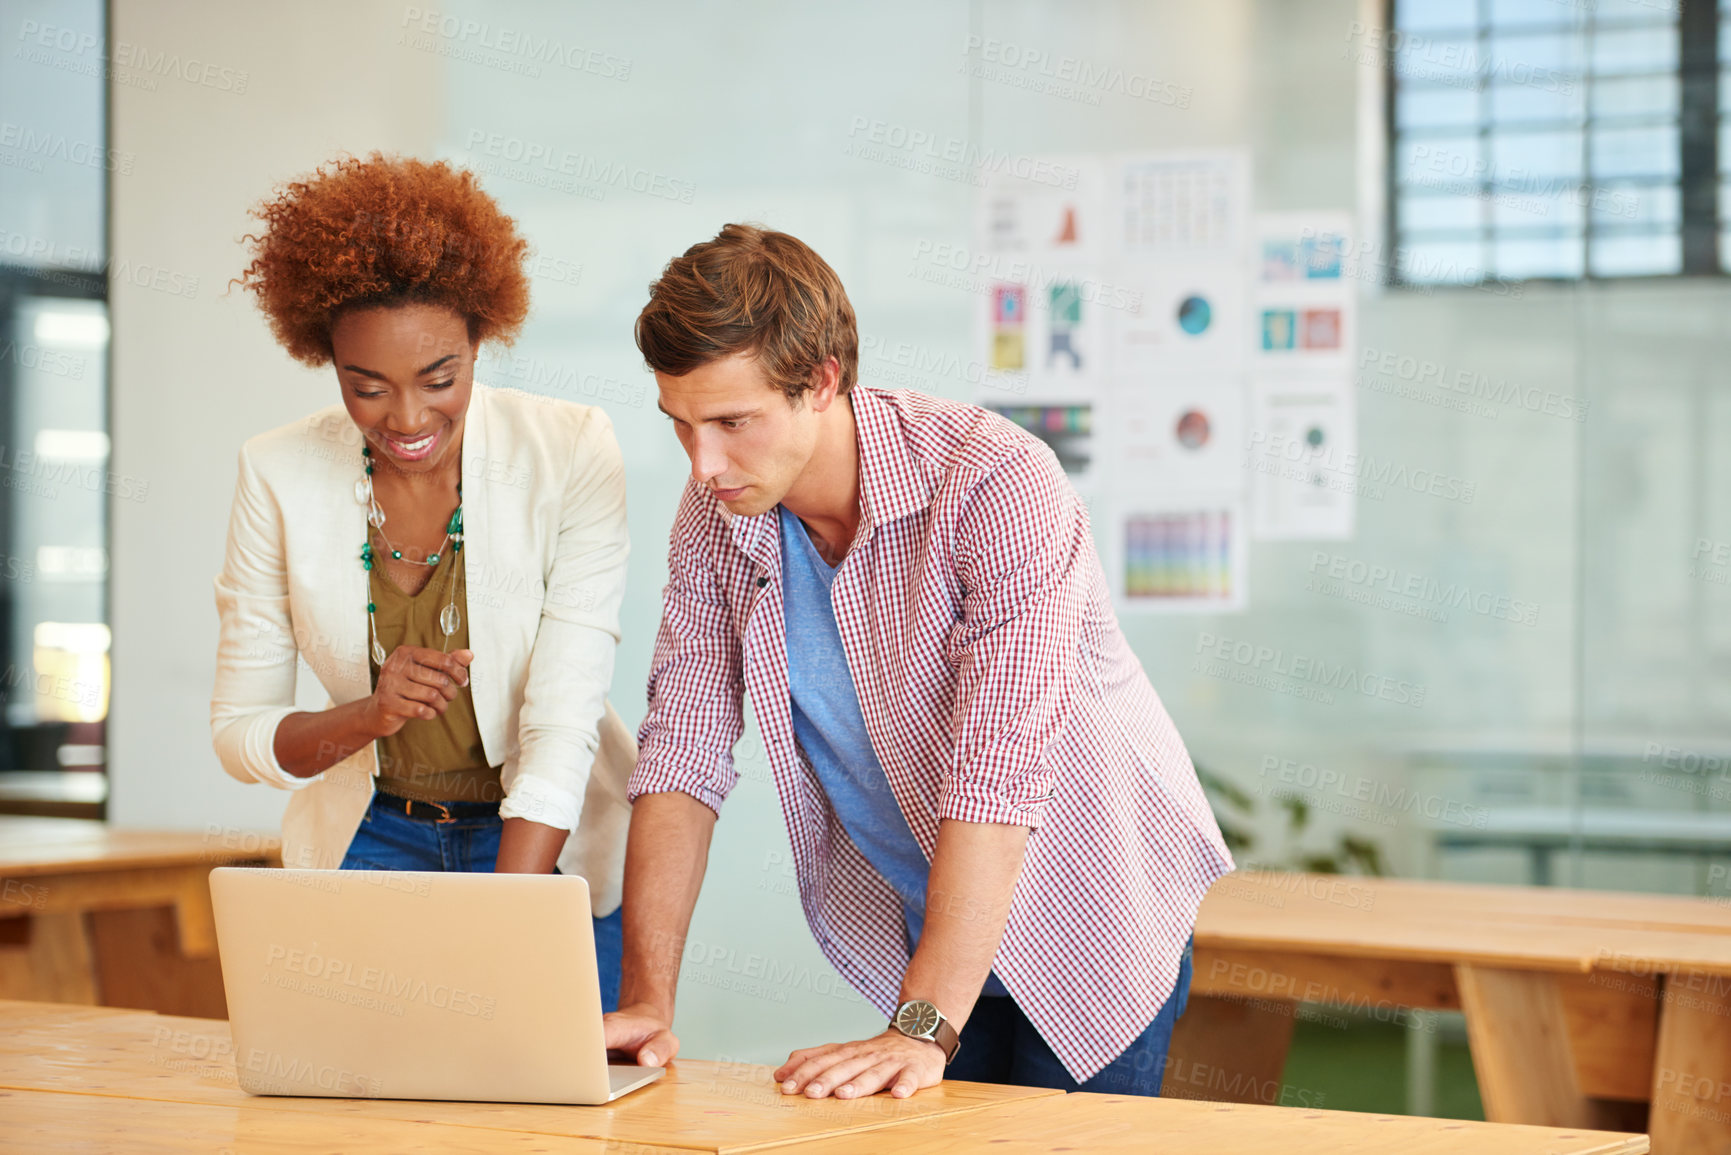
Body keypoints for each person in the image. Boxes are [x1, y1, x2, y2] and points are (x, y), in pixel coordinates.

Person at [605, 224, 1233, 1096]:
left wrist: (921, 1024)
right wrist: (646, 1001)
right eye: (681, 425)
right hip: (932, 923)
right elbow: (682, 748)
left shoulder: (996, 482)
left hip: (1090, 909)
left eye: (731, 422)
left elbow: (997, 770)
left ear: (821, 380)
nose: (703, 463)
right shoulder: (721, 512)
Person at [210, 153, 634, 1008]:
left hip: (540, 843)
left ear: (482, 336)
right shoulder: (277, 471)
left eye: (440, 378)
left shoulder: (570, 449)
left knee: (548, 1121)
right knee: (351, 1119)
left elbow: (562, 714)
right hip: (369, 846)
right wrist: (370, 712)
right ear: (323, 355)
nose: (406, 419)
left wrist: (507, 922)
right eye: (366, 387)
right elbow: (240, 733)